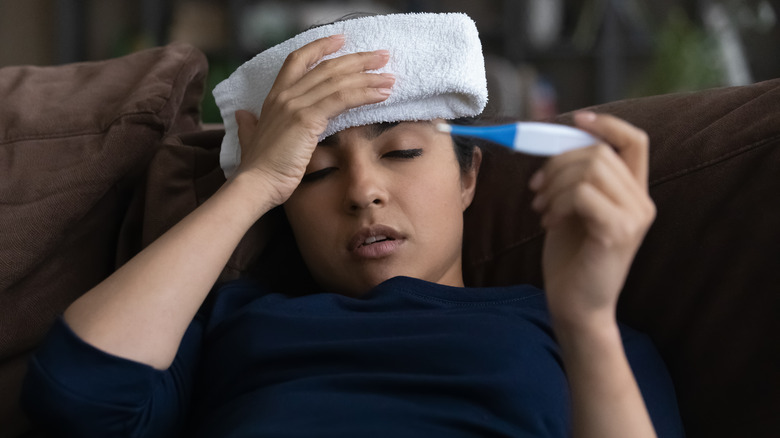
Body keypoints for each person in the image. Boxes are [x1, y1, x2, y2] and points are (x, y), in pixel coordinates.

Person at [21, 13, 683, 438]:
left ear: (468, 176)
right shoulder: (232, 324)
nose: (364, 191)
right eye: (315, 172)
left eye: (401, 152)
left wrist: (588, 322)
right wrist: (256, 183)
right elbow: (78, 395)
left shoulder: (574, 328)